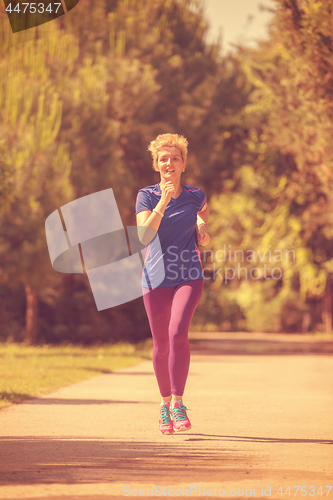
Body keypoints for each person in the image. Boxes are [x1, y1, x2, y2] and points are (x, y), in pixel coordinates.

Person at [135, 133, 210, 434]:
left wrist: (202, 228)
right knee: (161, 342)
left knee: (178, 333)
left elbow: (202, 214)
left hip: (188, 274)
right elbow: (143, 236)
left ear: (183, 163)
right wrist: (163, 201)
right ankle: (164, 404)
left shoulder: (196, 194)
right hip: (155, 277)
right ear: (157, 164)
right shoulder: (147, 196)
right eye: (163, 158)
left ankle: (178, 402)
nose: (169, 163)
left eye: (174, 158)